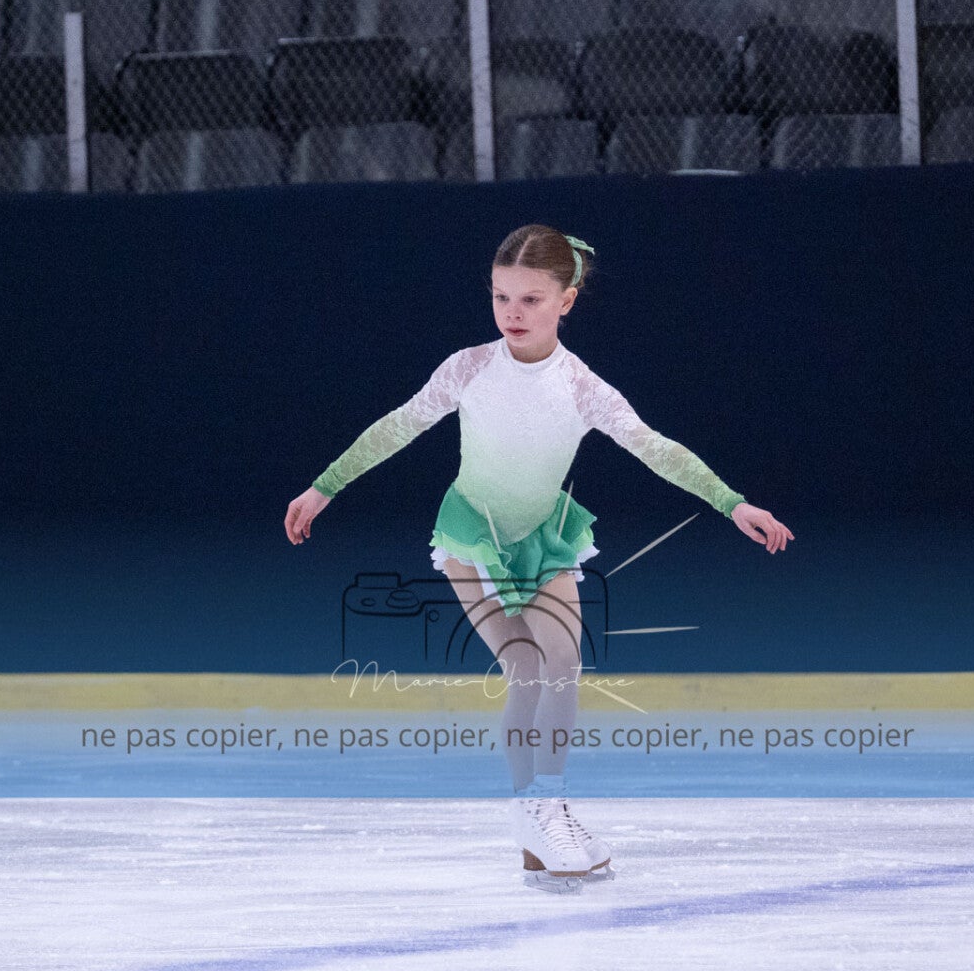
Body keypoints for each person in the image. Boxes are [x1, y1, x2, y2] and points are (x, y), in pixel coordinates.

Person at [285, 224, 793, 892]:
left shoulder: (581, 387)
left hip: (543, 536)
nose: (513, 313)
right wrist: (323, 487)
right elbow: (398, 426)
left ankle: (543, 809)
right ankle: (537, 813)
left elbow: (656, 449)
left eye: (530, 299)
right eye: (501, 297)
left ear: (566, 301)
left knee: (562, 663)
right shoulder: (468, 368)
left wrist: (733, 504)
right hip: (473, 534)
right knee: (527, 665)